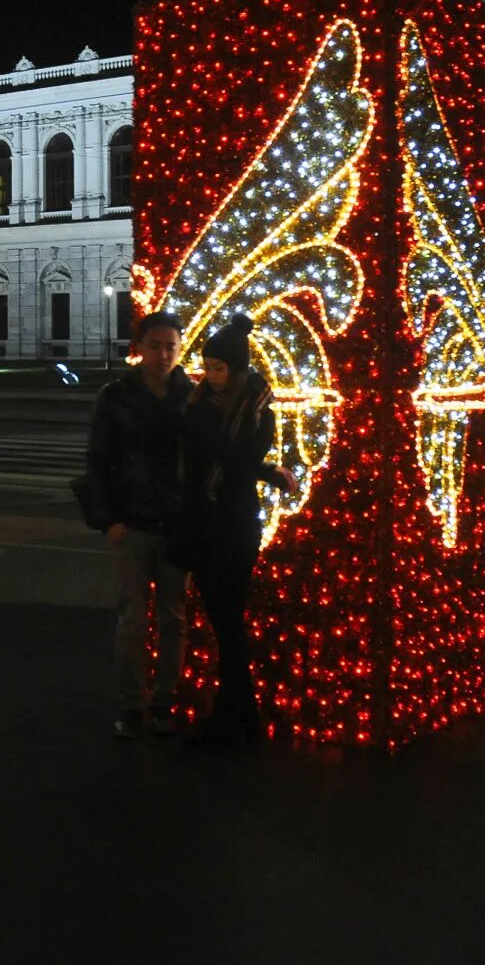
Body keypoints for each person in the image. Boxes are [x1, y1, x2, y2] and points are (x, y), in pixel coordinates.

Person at [179, 313, 296, 751]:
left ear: (237, 368)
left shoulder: (254, 413)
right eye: (207, 366)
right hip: (205, 523)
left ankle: (233, 719)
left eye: (218, 367)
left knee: (229, 622)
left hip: (234, 525)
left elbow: (236, 459)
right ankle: (241, 716)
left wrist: (262, 470)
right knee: (225, 623)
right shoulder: (198, 405)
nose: (209, 376)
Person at [84, 311, 192, 739]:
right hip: (131, 523)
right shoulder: (116, 396)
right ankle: (132, 704)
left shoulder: (192, 395)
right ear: (139, 348)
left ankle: (164, 701)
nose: (163, 354)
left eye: (171, 346)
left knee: (173, 618)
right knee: (132, 619)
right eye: (155, 345)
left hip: (177, 524)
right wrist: (107, 519)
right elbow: (98, 461)